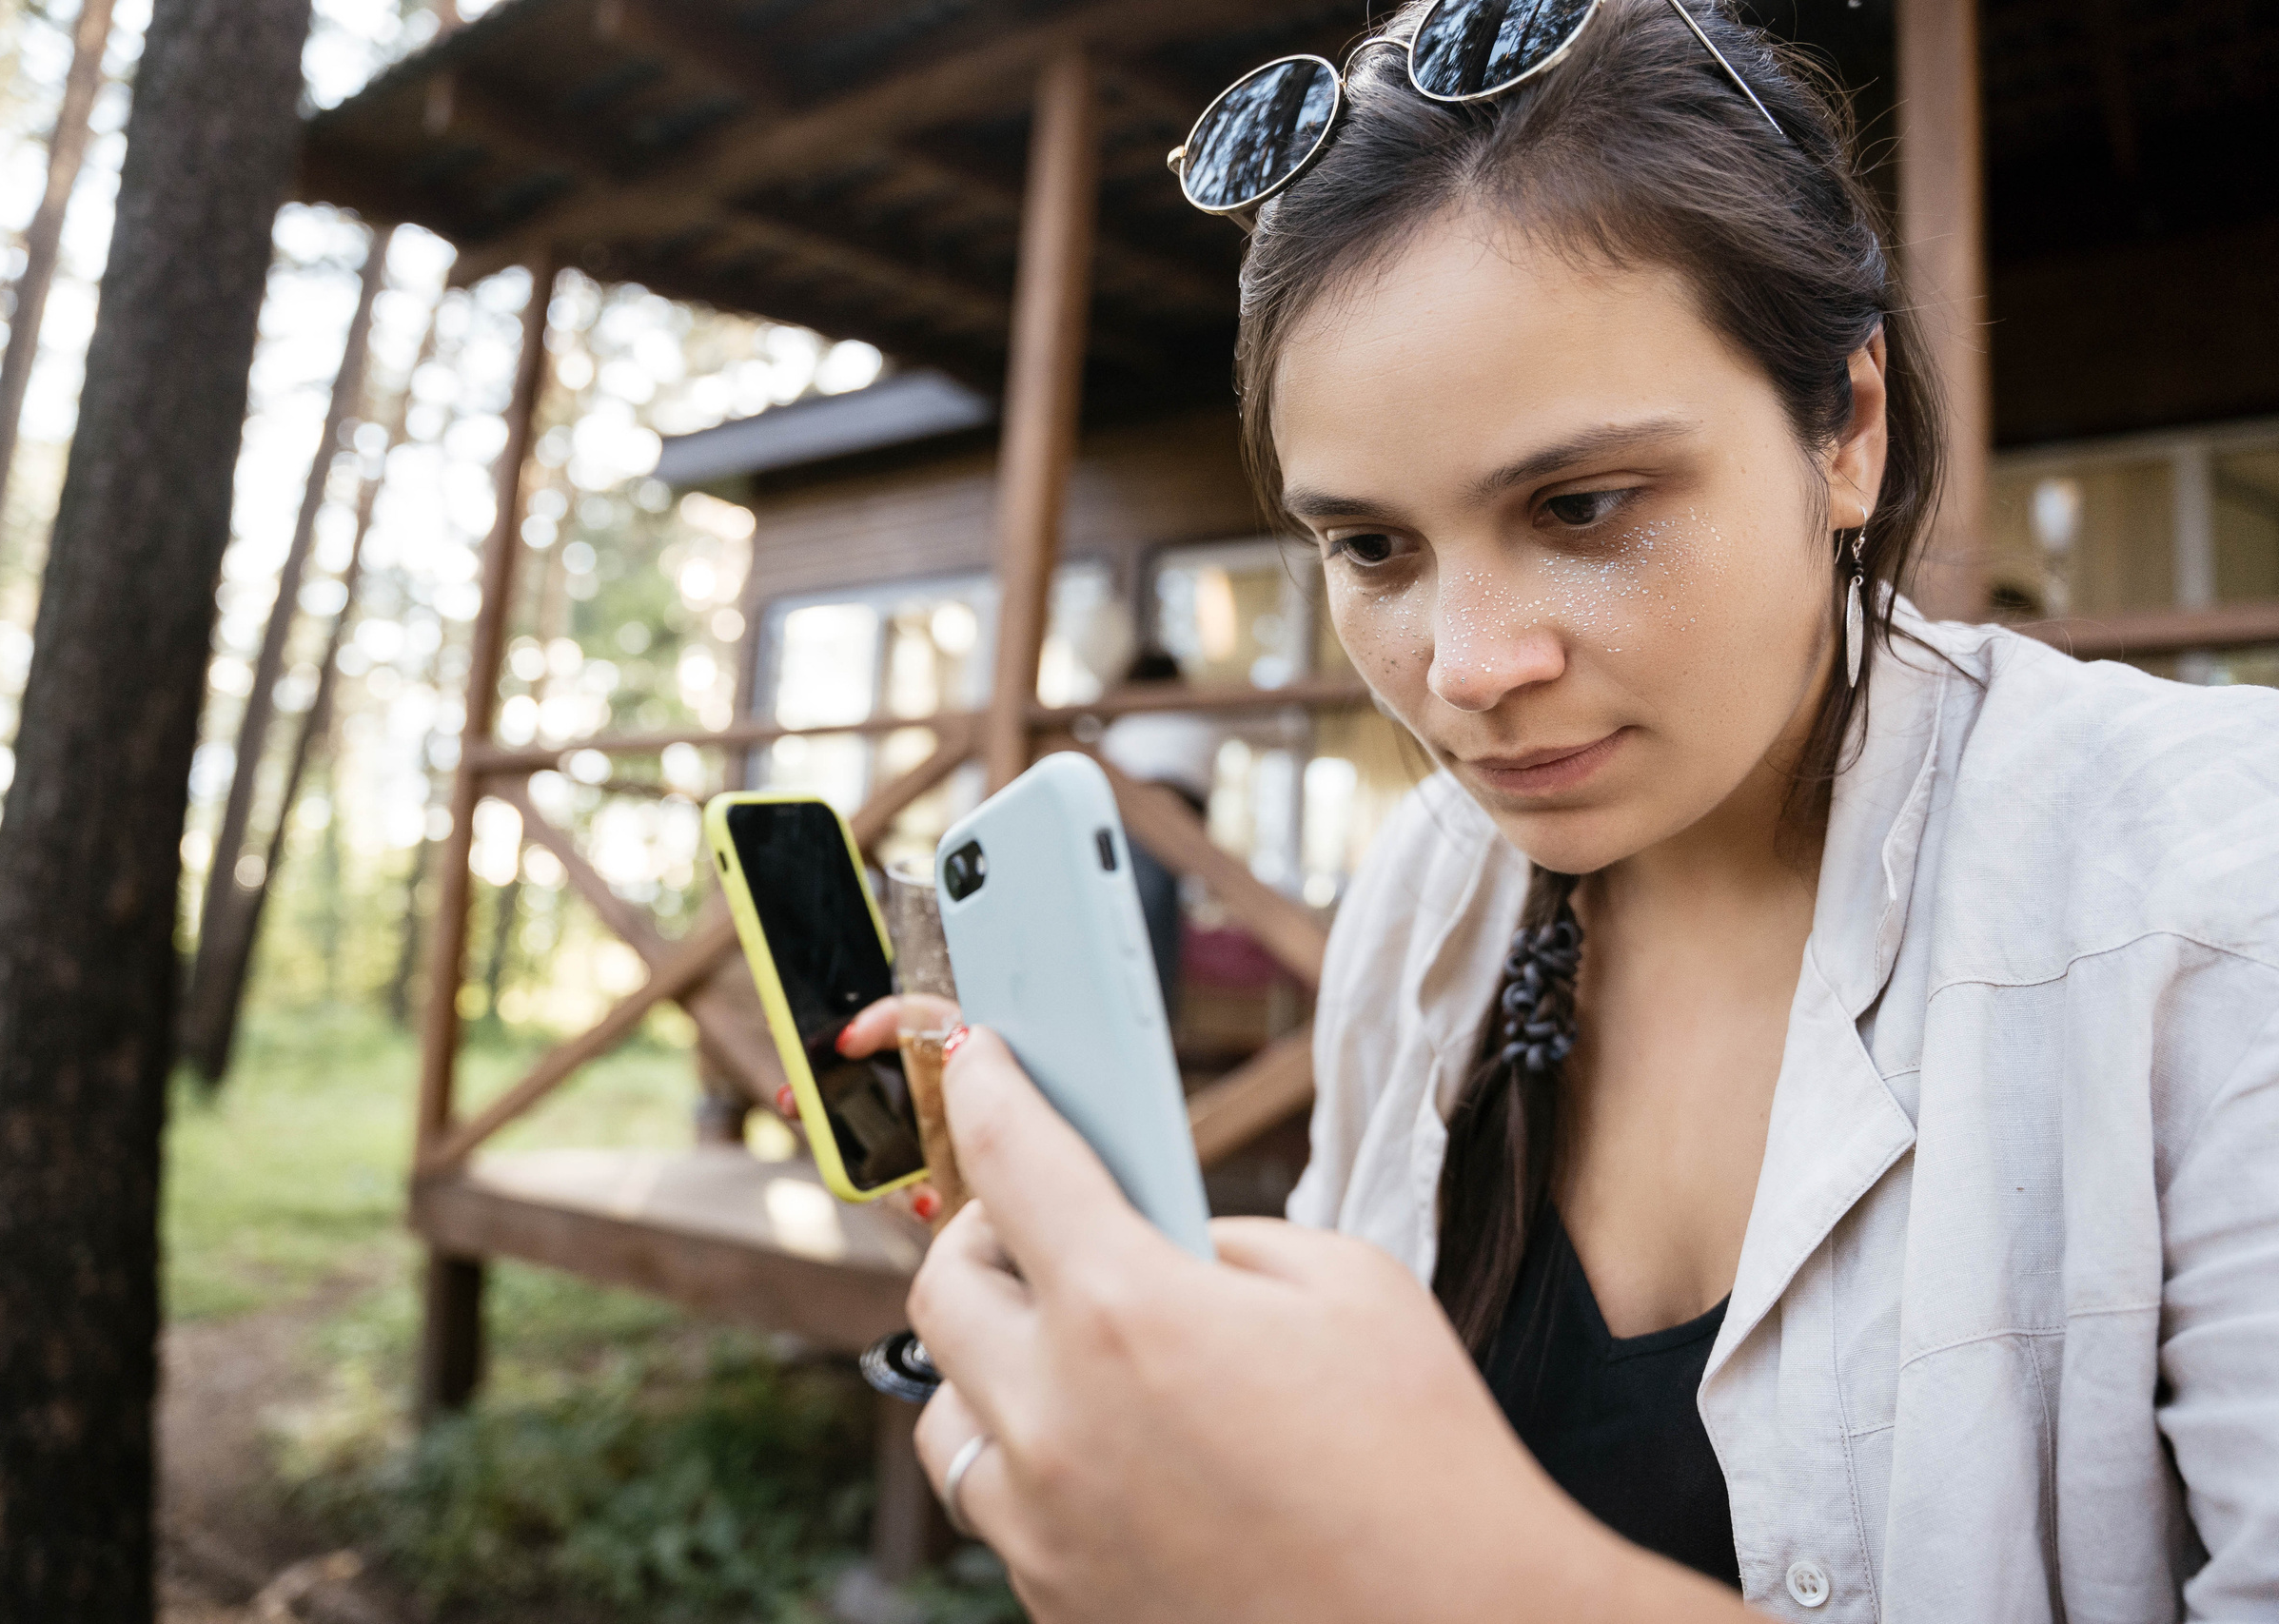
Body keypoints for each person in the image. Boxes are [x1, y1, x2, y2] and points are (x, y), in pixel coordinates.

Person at [840, 1, 2279, 1617]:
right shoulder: (1431, 894)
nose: (1466, 670)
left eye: (1582, 506)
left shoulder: (2219, 884)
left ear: (1847, 427)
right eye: (1373, 548)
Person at [1098, 647, 1223, 1012]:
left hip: (1120, 830)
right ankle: (1157, 1026)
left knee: (1122, 941)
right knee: (1157, 941)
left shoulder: (1126, 724)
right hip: (1177, 840)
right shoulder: (1198, 724)